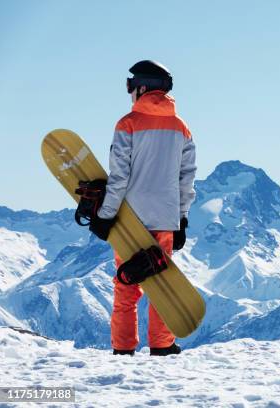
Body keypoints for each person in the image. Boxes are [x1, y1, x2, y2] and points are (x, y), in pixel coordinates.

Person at [89, 60, 197, 356]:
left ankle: (123, 348)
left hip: (130, 219)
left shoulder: (128, 123)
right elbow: (186, 178)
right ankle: (162, 345)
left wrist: (106, 214)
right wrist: (182, 217)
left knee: (127, 283)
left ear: (142, 87)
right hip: (165, 218)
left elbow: (119, 176)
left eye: (131, 87)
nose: (130, 94)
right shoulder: (181, 128)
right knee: (161, 282)